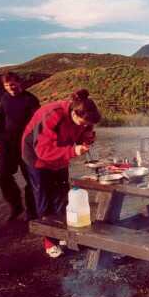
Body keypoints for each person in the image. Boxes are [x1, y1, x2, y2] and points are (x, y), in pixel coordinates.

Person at [22, 89, 100, 257]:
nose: (85, 125)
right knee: (45, 198)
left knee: (62, 195)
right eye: (83, 123)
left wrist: (87, 139)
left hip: (60, 155)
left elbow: (82, 133)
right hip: (36, 158)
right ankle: (49, 242)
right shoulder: (52, 115)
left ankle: (61, 233)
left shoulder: (84, 118)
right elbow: (43, 151)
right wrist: (73, 150)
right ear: (73, 113)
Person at [0, 72, 40, 221]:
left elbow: (39, 125)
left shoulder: (31, 100)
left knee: (30, 177)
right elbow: (1, 121)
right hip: (7, 143)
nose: (10, 88)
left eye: (12, 84)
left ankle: (31, 211)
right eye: (7, 85)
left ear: (19, 82)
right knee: (3, 176)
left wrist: (37, 144)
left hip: (26, 144)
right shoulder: (4, 98)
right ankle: (16, 206)